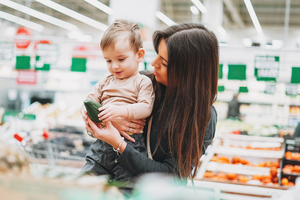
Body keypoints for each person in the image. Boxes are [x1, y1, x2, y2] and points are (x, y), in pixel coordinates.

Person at [83, 22, 218, 184]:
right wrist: (106, 124)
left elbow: (171, 176)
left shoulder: (203, 117)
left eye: (164, 62)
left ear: (188, 72)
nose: (154, 63)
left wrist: (118, 143)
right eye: (157, 54)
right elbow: (96, 112)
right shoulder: (144, 81)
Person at [80, 19, 155, 182]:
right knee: (84, 182)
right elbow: (88, 102)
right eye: (108, 60)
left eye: (121, 59)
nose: (114, 66)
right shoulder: (105, 82)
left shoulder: (142, 82)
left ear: (139, 55)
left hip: (130, 145)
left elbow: (146, 107)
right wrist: (84, 112)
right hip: (102, 146)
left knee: (125, 189)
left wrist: (120, 111)